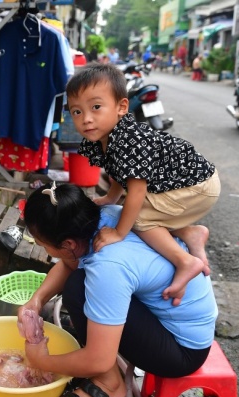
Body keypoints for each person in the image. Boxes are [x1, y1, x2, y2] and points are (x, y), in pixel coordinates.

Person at [18, 182, 217, 397]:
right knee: (80, 280)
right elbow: (70, 262)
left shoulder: (107, 268)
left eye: (43, 245)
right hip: (181, 319)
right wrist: (37, 300)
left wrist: (40, 361)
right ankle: (108, 374)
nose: (44, 250)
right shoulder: (107, 219)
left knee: (78, 288)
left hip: (182, 351)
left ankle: (110, 385)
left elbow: (99, 360)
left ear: (68, 243)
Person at [67, 63, 221, 305]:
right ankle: (191, 233)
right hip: (186, 183)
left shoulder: (129, 140)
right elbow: (119, 172)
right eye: (76, 111)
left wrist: (119, 232)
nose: (86, 119)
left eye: (96, 107)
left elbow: (137, 191)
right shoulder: (105, 136)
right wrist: (111, 198)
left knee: (138, 219)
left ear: (121, 107)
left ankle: (185, 261)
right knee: (137, 212)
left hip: (196, 187)